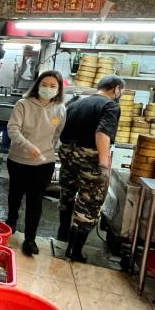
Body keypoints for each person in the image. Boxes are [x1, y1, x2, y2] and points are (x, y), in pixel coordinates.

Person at [57, 74, 124, 263]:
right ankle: (74, 250)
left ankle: (62, 236)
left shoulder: (76, 103)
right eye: (121, 91)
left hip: (68, 154)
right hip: (90, 158)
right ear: (116, 88)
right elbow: (102, 133)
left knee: (67, 194)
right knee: (90, 203)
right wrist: (104, 165)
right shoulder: (110, 106)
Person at [5, 70, 66, 256]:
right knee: (15, 194)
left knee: (35, 200)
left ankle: (30, 239)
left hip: (44, 163)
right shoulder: (23, 104)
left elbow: (57, 135)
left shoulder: (60, 109)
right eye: (44, 85)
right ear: (38, 85)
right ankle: (11, 222)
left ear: (59, 89)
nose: (48, 89)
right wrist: (28, 146)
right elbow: (13, 129)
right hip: (18, 160)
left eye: (53, 86)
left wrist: (48, 151)